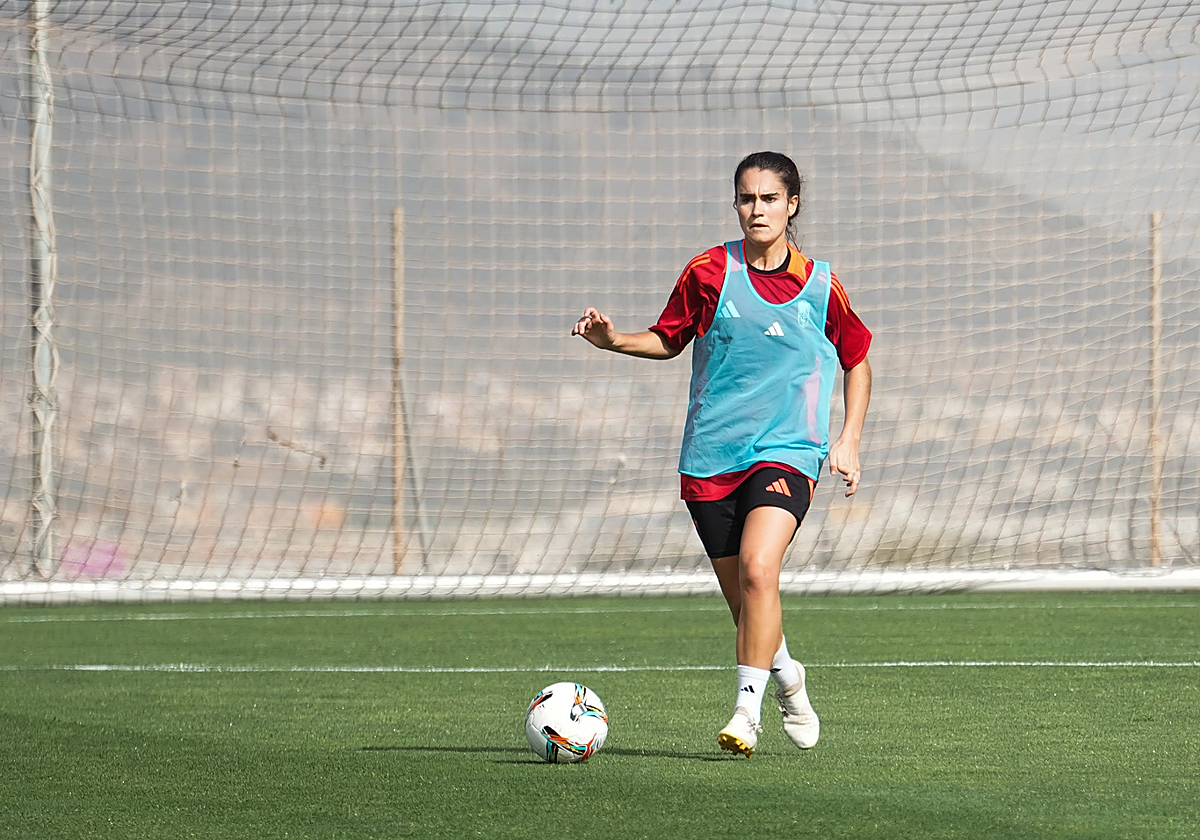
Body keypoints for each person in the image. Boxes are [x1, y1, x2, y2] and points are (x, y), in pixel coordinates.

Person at [571, 151, 873, 757]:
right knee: (747, 603)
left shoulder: (822, 285)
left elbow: (857, 357)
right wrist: (614, 340)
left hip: (789, 451)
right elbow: (668, 338)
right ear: (736, 203)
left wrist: (848, 439)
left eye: (769, 198)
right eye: (746, 198)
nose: (757, 209)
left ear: (792, 205)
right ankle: (789, 680)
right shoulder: (708, 271)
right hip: (711, 457)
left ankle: (745, 714)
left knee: (761, 570)